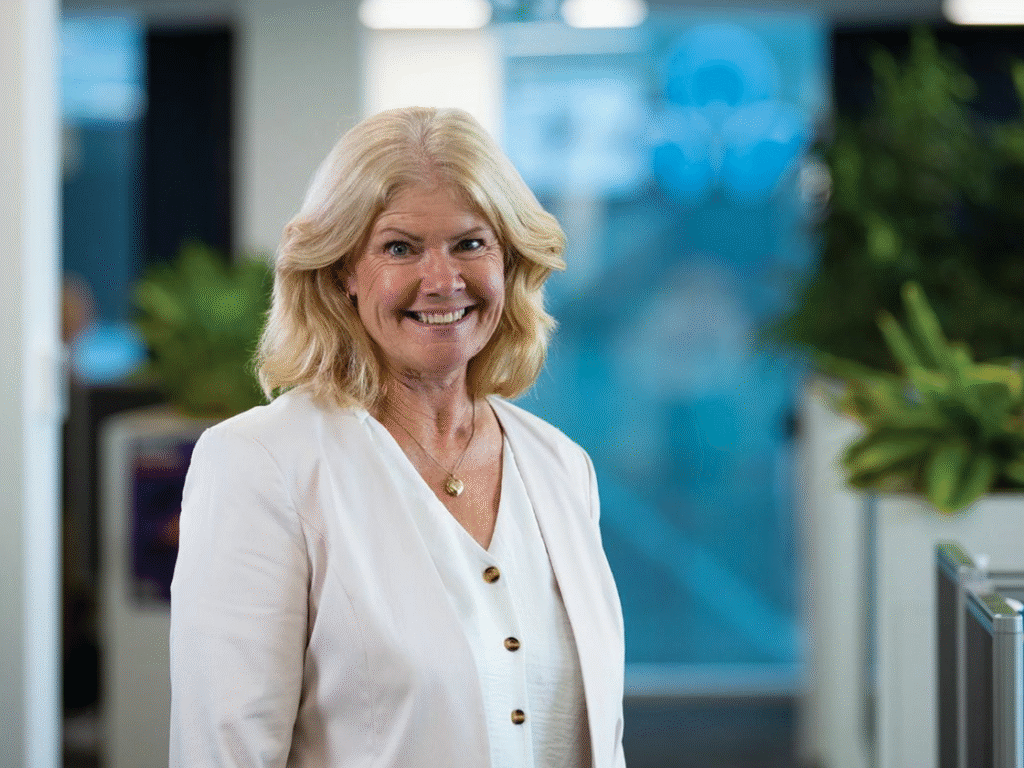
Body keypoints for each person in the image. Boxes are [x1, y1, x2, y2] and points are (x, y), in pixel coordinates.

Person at [169, 106, 626, 768]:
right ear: (343, 271)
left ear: (508, 259)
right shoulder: (260, 465)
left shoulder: (561, 466)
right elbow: (225, 750)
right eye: (400, 248)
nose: (442, 281)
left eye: (470, 243)